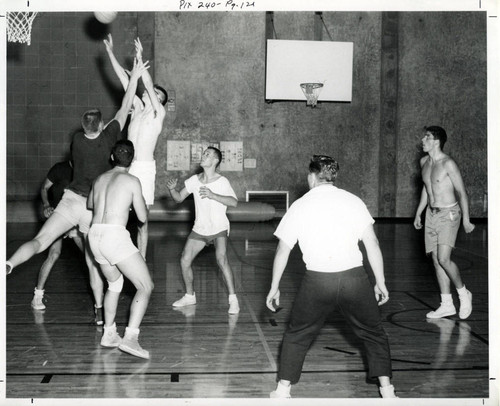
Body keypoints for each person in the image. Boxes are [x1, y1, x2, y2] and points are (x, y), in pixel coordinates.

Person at [6, 57, 149, 325]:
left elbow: (97, 124)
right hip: (90, 209)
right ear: (102, 126)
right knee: (93, 264)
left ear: (83, 128)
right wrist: (135, 78)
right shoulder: (108, 139)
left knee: (40, 242)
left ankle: (8, 264)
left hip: (69, 201)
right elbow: (125, 106)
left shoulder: (76, 140)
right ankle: (98, 311)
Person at [266, 155, 397, 399]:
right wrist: (380, 281)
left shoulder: (300, 205)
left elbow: (283, 249)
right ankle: (388, 392)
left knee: (297, 335)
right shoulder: (353, 201)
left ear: (312, 177)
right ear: (333, 177)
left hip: (317, 282)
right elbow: (372, 243)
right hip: (355, 280)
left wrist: (274, 286)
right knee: (374, 333)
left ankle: (283, 391)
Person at [87, 139, 153, 359]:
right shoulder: (132, 180)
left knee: (115, 283)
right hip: (114, 236)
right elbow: (143, 218)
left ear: (112, 157)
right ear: (132, 160)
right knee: (145, 286)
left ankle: (109, 333)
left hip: (94, 235)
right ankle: (131, 338)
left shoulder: (99, 179)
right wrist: (135, 200)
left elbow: (90, 204)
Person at [104, 34, 167, 259]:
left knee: (142, 218)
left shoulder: (158, 113)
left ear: (159, 99)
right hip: (125, 165)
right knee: (118, 210)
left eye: (156, 93)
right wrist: (111, 52)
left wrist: (140, 60)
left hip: (144, 168)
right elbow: (124, 80)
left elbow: (147, 84)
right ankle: (116, 250)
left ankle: (141, 257)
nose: (151, 92)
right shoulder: (138, 108)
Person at [167, 147, 240, 314]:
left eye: (207, 154)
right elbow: (178, 198)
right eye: (204, 153)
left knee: (221, 260)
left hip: (219, 227)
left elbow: (234, 202)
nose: (203, 156)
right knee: (185, 260)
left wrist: (213, 195)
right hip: (200, 228)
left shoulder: (222, 181)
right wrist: (172, 190)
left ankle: (233, 299)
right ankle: (189, 296)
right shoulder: (194, 180)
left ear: (215, 161)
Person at [413, 126, 474, 319]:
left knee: (444, 259)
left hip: (449, 214)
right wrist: (419, 213)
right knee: (435, 259)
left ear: (437, 141)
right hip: (431, 214)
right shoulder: (424, 162)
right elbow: (427, 188)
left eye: (427, 137)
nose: (423, 140)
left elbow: (462, 193)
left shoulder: (448, 164)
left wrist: (466, 219)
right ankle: (446, 304)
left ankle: (464, 294)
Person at [31, 159, 85, 310]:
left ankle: (101, 298)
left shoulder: (85, 168)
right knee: (54, 254)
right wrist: (47, 204)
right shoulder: (60, 169)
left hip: (76, 219)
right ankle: (37, 296)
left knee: (90, 257)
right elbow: (44, 188)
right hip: (58, 217)